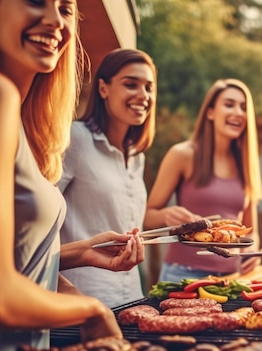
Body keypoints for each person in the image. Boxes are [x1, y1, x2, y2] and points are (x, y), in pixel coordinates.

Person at [0, 1, 145, 350]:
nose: (53, 21)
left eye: (65, 8)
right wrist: (91, 309)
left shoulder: (20, 122)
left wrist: (81, 252)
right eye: (35, 1)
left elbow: (10, 260)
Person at [58, 48, 156, 308]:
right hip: (82, 301)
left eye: (149, 87)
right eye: (130, 84)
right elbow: (37, 226)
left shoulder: (137, 156)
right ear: (103, 89)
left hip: (132, 300)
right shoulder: (75, 139)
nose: (143, 95)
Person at [144, 78, 262, 282]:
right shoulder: (182, 154)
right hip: (183, 275)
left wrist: (251, 250)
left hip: (231, 278)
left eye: (243, 107)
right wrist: (166, 215)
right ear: (210, 112)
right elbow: (146, 217)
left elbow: (251, 231)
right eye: (229, 104)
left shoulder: (246, 163)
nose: (238, 113)